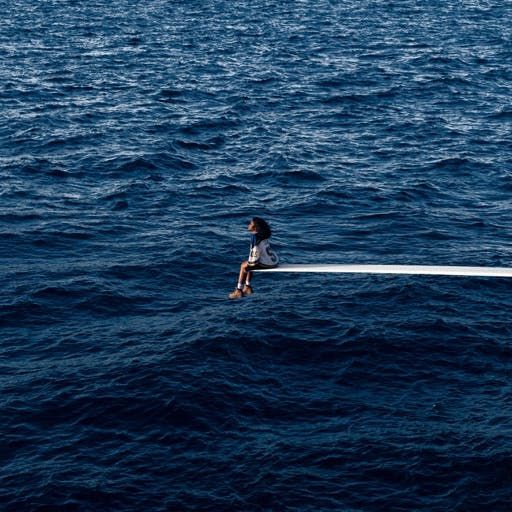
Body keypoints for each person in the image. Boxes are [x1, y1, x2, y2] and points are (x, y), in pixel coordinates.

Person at [229, 217, 279, 299]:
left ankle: (238, 290)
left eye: (250, 224)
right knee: (248, 264)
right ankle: (247, 286)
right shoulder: (263, 235)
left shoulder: (255, 237)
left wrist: (250, 264)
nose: (248, 225)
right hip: (272, 261)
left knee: (243, 265)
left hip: (266, 263)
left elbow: (255, 252)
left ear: (255, 228)